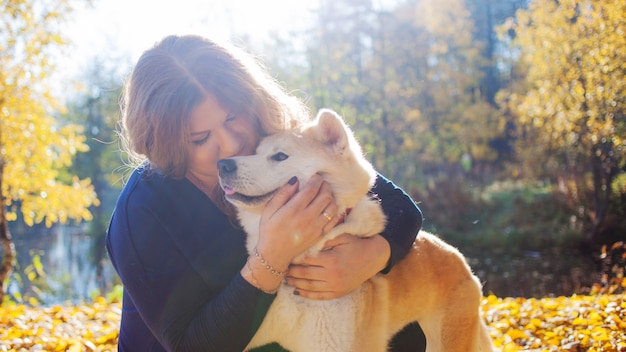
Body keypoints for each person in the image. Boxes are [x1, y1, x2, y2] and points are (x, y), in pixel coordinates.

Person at [105, 34, 426, 352]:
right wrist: (271, 257)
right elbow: (191, 346)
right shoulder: (143, 211)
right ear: (167, 146)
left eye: (233, 117)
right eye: (201, 138)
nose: (231, 144)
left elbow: (398, 206)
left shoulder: (275, 141)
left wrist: (373, 255)